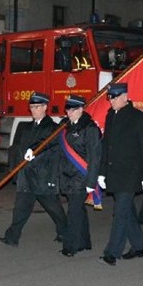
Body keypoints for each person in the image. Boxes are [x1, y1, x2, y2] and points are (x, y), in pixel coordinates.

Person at [0, 91, 67, 248]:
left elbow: (50, 147)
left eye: (37, 106)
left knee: (54, 208)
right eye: (32, 107)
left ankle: (65, 232)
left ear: (45, 107)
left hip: (42, 176)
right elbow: (19, 149)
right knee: (20, 209)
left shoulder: (53, 128)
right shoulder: (27, 127)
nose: (33, 110)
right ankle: (12, 238)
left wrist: (35, 153)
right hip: (27, 176)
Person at [97, 82, 143, 265]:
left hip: (131, 174)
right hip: (115, 172)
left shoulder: (139, 118)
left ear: (124, 97)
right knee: (127, 212)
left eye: (114, 97)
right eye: (110, 97)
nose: (111, 101)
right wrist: (102, 172)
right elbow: (107, 146)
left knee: (120, 213)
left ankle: (112, 253)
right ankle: (138, 246)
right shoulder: (111, 116)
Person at [56, 94, 101, 256]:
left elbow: (95, 157)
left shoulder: (90, 129)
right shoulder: (65, 126)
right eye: (68, 110)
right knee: (78, 209)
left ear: (81, 109)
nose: (69, 113)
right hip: (67, 175)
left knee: (73, 211)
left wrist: (91, 180)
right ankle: (84, 241)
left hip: (81, 176)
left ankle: (70, 246)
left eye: (73, 110)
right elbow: (52, 143)